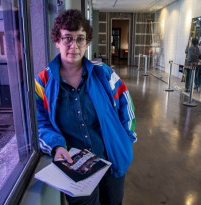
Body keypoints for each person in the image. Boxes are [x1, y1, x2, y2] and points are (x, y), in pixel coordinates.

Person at [34, 9, 137, 205]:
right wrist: (55, 145)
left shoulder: (102, 73)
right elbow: (40, 122)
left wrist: (125, 138)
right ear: (57, 41)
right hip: (75, 167)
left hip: (110, 157)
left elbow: (126, 104)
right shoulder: (42, 82)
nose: (74, 46)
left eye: (80, 39)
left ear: (87, 42)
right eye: (67, 39)